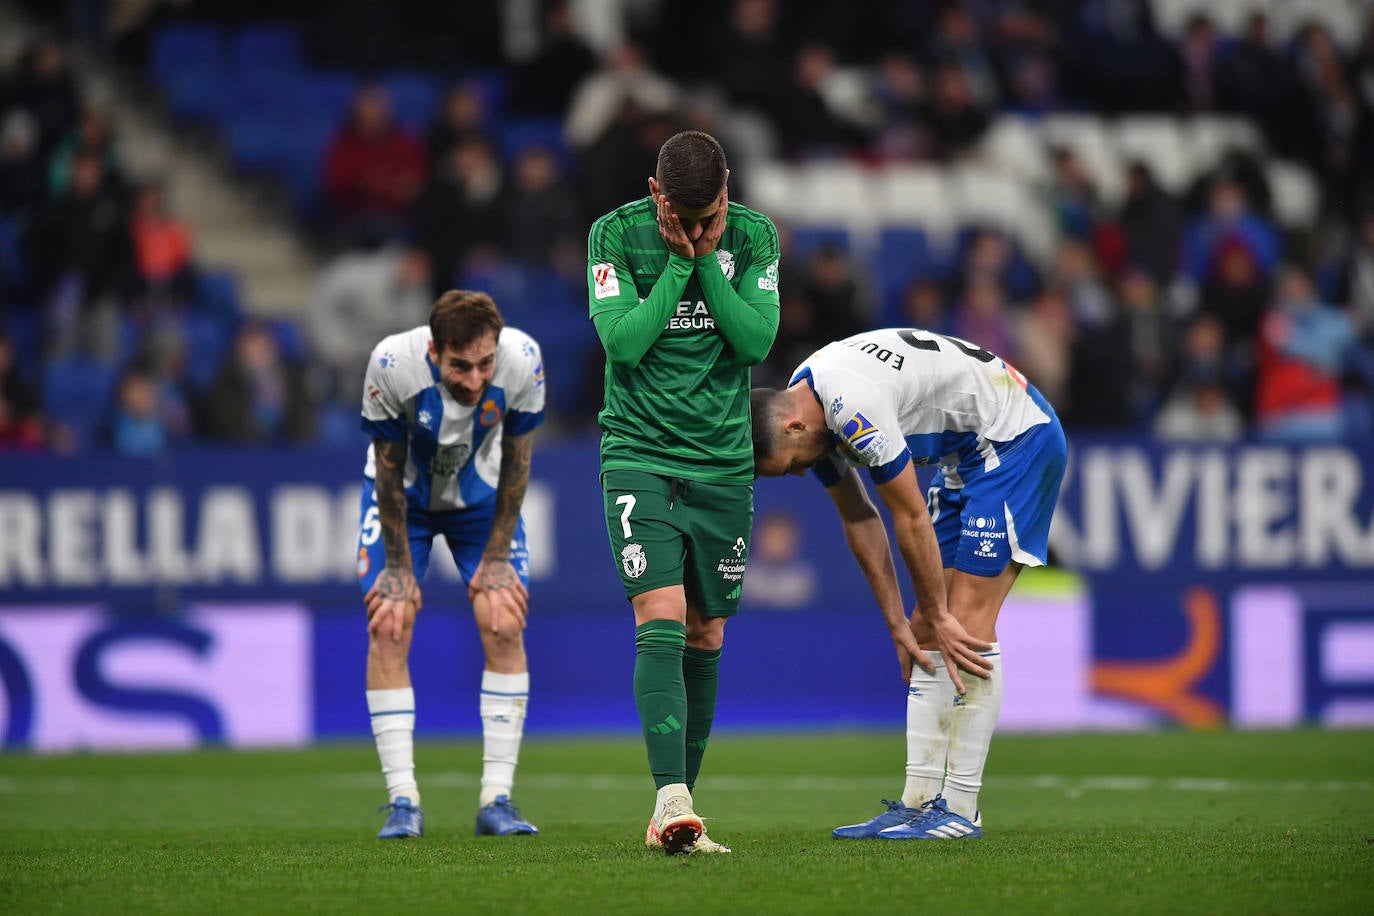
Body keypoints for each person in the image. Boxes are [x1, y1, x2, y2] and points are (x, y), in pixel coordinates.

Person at [751, 325, 1067, 841]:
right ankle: (918, 802)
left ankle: (962, 809)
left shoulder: (850, 409)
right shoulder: (812, 406)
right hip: (965, 456)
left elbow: (910, 517)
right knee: (924, 632)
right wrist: (899, 620)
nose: (799, 474)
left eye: (789, 468)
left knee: (962, 622)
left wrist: (941, 612)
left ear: (791, 429)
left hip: (1016, 440)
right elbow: (859, 518)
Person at [587, 129, 780, 854]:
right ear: (655, 195)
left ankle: (678, 805)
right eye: (685, 217)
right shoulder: (614, 236)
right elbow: (625, 344)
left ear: (728, 187)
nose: (701, 230)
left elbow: (755, 342)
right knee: (660, 613)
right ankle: (671, 800)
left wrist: (707, 266)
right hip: (638, 452)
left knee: (707, 631)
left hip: (723, 464)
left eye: (712, 215)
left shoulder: (757, 236)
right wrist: (681, 264)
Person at [357, 289, 545, 840]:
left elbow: (518, 461)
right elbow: (388, 472)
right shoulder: (391, 364)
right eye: (460, 366)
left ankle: (497, 801)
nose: (474, 378)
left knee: (504, 619)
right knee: (389, 622)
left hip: (482, 502)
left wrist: (495, 558)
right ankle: (402, 803)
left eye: (484, 363)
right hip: (404, 502)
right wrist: (397, 567)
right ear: (435, 351)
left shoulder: (523, 358)